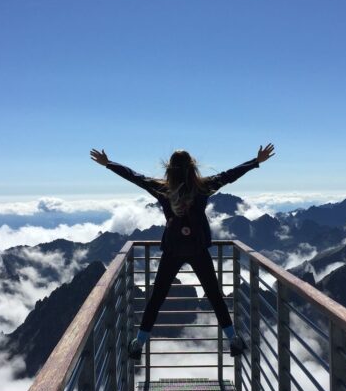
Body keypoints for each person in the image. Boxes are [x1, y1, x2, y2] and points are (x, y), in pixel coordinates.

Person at [90, 144, 275, 360]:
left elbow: (135, 177)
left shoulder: (163, 189)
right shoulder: (203, 188)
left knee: (157, 297)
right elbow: (229, 175)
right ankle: (233, 338)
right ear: (192, 167)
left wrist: (109, 164)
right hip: (197, 249)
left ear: (170, 169)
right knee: (215, 295)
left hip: (172, 249)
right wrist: (256, 161)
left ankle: (138, 343)